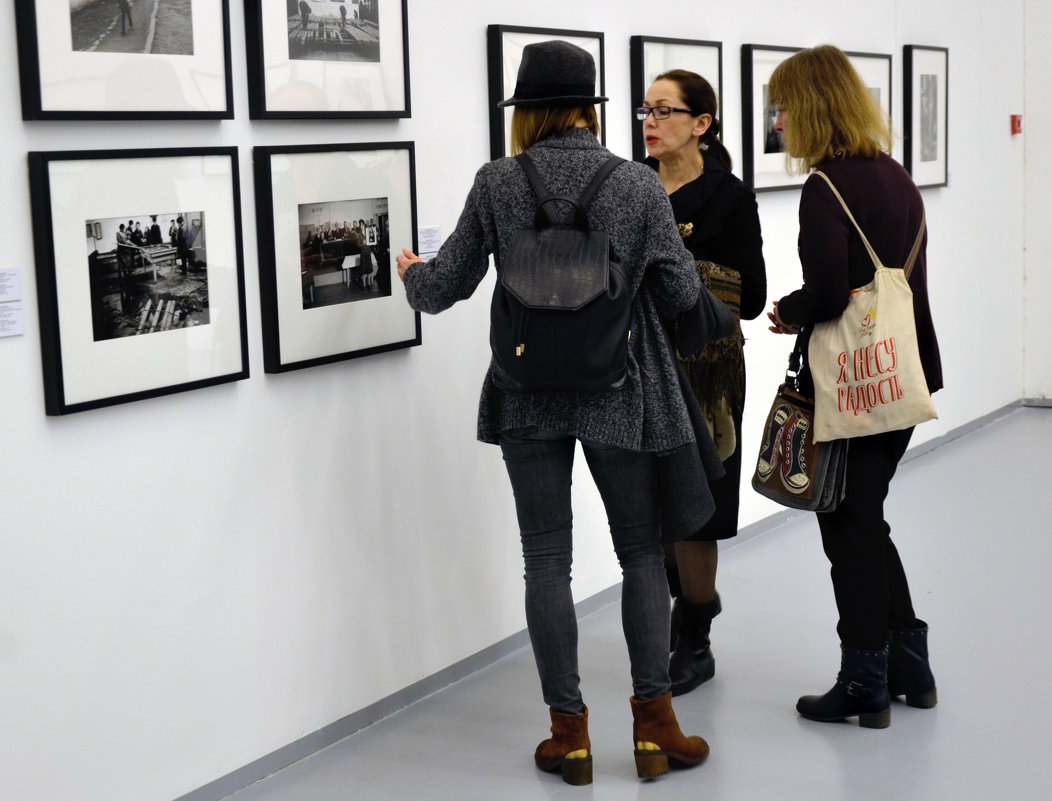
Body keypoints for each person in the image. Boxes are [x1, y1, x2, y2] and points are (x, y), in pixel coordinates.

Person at [396, 40, 726, 784]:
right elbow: (677, 295)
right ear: (589, 108)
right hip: (619, 388)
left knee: (546, 559)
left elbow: (445, 286)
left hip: (525, 394)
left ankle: (568, 736)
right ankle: (654, 729)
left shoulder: (498, 181)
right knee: (642, 553)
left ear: (526, 110)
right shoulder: (637, 186)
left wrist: (412, 276)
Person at [765, 45, 942, 727]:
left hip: (853, 385)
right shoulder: (896, 176)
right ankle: (911, 667)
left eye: (784, 104)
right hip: (903, 376)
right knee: (867, 519)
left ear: (812, 105)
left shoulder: (825, 187)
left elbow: (831, 293)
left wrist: (789, 311)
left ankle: (864, 676)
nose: (778, 119)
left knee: (848, 527)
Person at [639, 70, 767, 695]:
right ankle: (688, 605)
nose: (650, 121)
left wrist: (679, 272)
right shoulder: (632, 187)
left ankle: (696, 634)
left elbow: (755, 294)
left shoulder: (729, 196)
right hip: (638, 365)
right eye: (646, 109)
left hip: (708, 373)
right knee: (655, 504)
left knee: (698, 509)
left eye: (664, 110)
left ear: (702, 123)